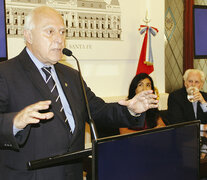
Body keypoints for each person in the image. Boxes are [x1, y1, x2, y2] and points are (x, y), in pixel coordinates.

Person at [0, 6, 158, 180]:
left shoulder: (71, 75)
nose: (59, 39)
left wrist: (131, 109)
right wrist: (14, 122)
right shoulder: (6, 73)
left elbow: (97, 110)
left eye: (62, 32)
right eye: (50, 31)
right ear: (28, 36)